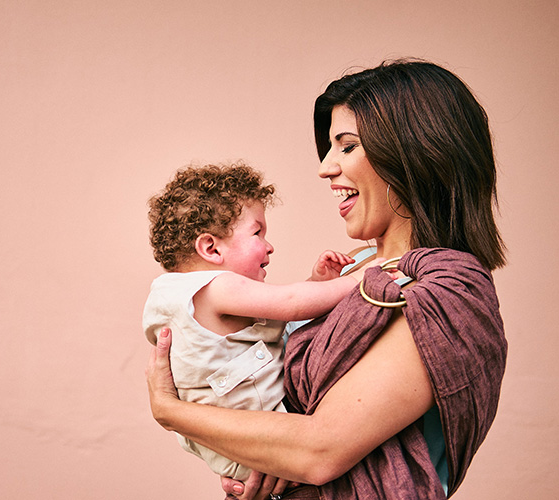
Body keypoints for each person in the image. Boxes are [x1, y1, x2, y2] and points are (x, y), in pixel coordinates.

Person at [145, 59, 508, 500]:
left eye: (347, 146)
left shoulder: (444, 290)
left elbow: (318, 452)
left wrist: (171, 411)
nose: (325, 167)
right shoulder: (355, 270)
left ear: (414, 153)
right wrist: (259, 457)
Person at [143, 163, 370, 481]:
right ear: (211, 247)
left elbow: (276, 318)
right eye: (257, 232)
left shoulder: (171, 294)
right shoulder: (217, 286)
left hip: (228, 447)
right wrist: (362, 278)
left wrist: (317, 281)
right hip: (264, 436)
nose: (269, 245)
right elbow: (290, 305)